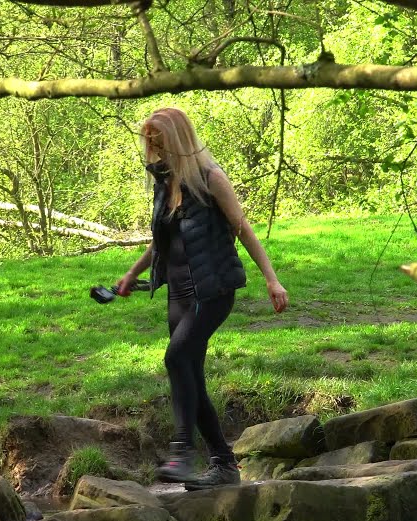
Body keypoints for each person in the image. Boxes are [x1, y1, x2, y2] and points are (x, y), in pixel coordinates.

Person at [115, 107, 289, 490]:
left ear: (177, 139)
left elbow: (243, 230)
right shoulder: (166, 183)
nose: (154, 149)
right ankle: (224, 465)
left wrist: (272, 281)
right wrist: (132, 273)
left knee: (176, 357)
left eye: (159, 141)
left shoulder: (212, 179)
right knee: (188, 374)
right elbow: (162, 240)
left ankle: (182, 453)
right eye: (150, 143)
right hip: (177, 294)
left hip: (211, 292)